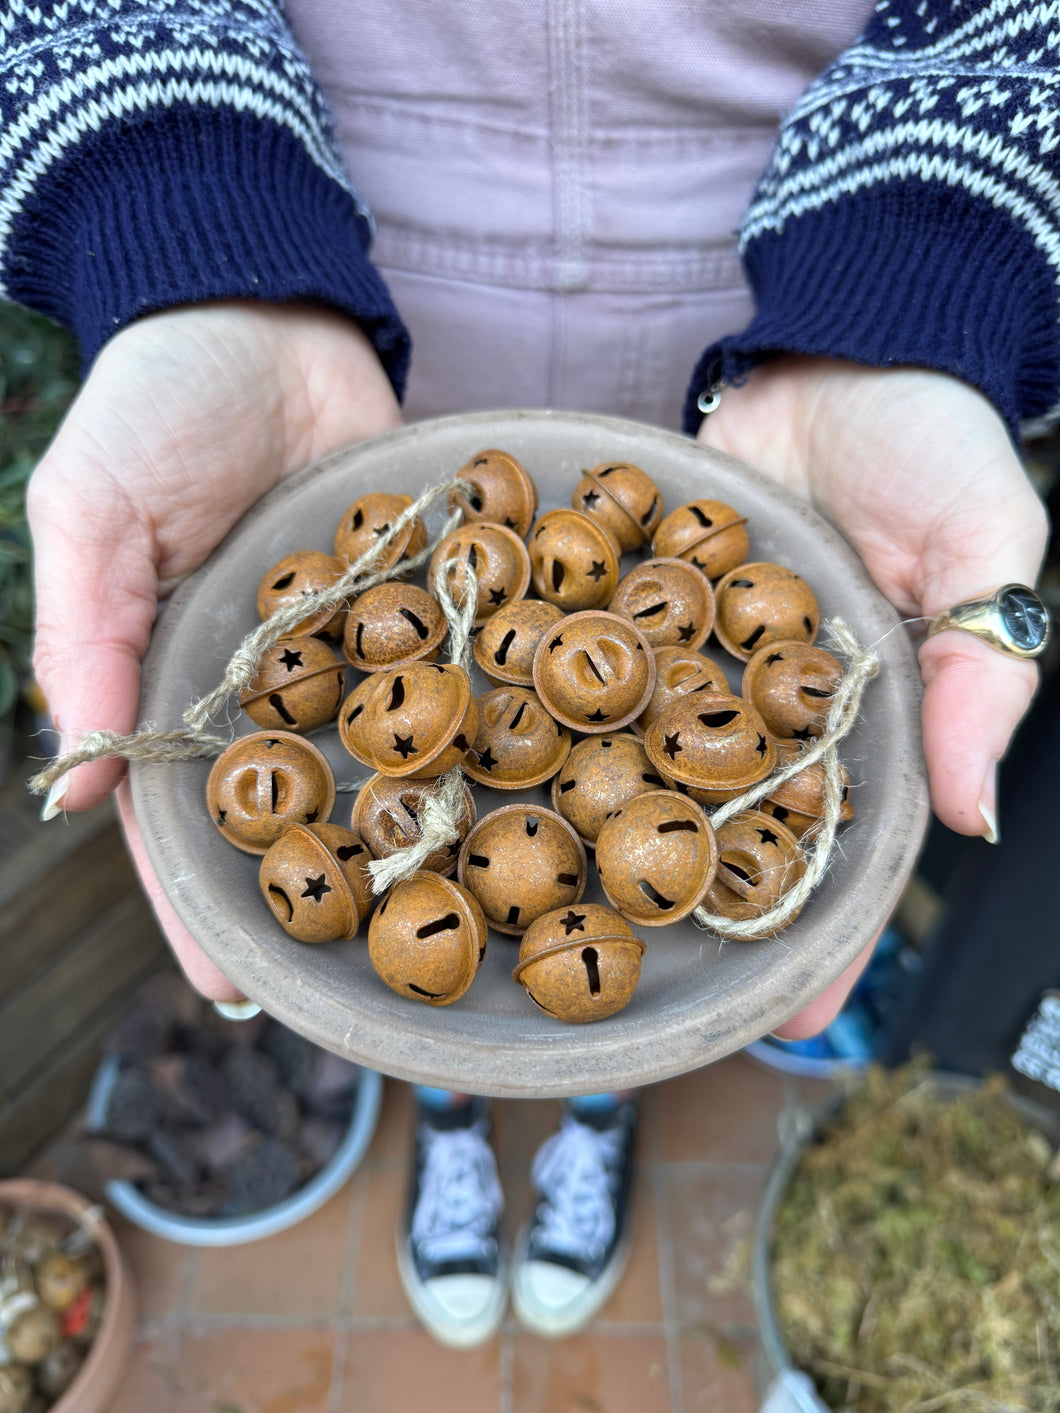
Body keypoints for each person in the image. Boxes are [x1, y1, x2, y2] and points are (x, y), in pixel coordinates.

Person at [6, 0, 1052, 1348]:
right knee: (411, 972)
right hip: (342, 294)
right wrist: (182, 205)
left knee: (628, 985)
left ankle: (592, 1119)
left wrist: (921, 282)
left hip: (777, 320)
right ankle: (449, 1113)